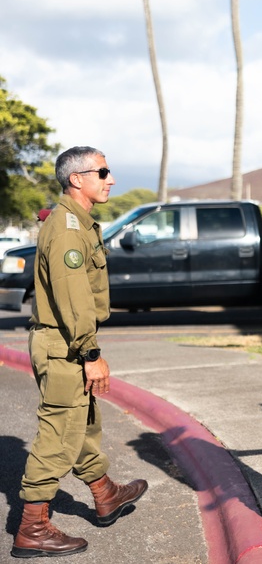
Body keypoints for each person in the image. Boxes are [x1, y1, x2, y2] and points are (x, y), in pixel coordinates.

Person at [12, 147, 148, 559]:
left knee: (82, 422)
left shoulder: (79, 223)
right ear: (76, 178)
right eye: (103, 171)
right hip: (64, 344)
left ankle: (104, 493)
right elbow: (73, 299)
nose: (111, 179)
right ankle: (32, 528)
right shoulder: (69, 228)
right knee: (59, 435)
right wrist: (91, 354)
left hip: (63, 341)